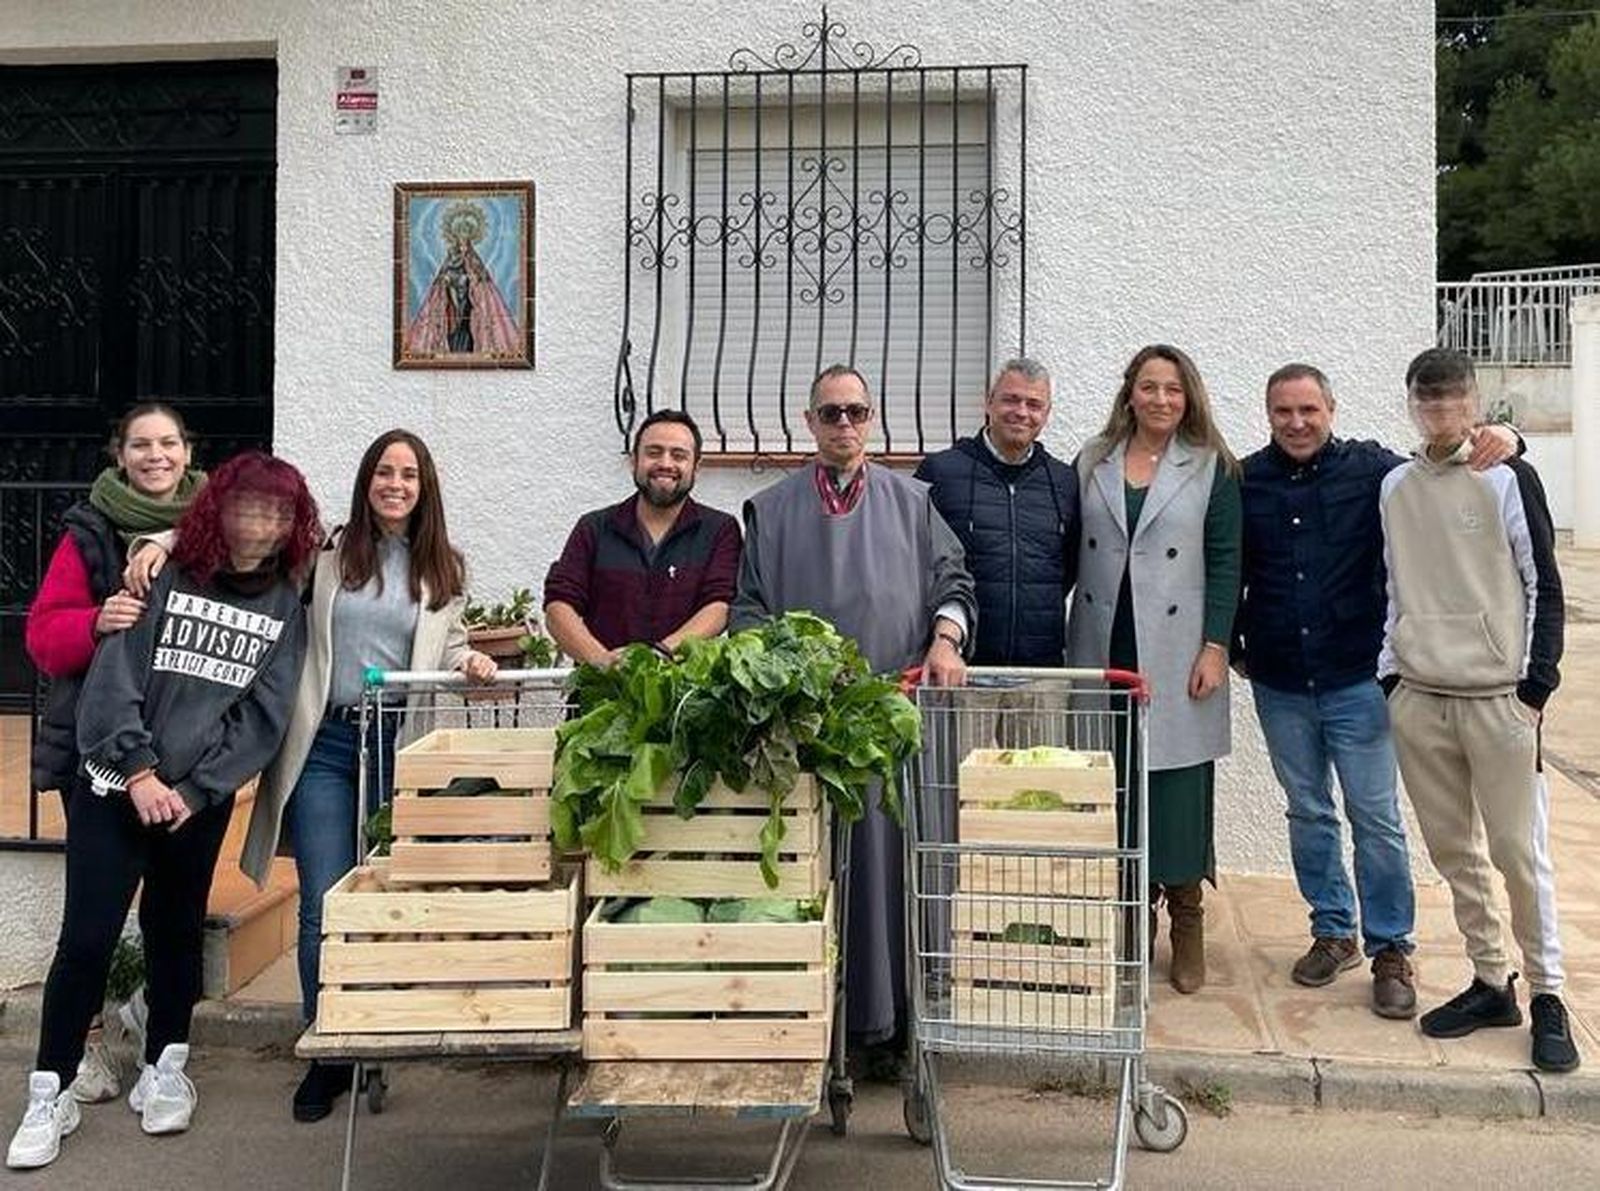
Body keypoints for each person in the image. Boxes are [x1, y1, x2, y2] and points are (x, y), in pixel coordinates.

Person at [7, 452, 318, 1171]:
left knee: (173, 933)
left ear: (292, 523)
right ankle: (49, 1090)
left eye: (277, 512)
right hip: (115, 787)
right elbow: (112, 680)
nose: (261, 523)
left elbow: (262, 717)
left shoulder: (283, 603)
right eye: (248, 507)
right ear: (219, 509)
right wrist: (139, 769)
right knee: (85, 940)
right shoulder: (167, 575)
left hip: (192, 803)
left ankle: (164, 1065)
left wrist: (201, 788)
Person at [1234, 364, 1518, 1018]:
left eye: (1309, 408)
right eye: (1283, 411)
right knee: (1308, 809)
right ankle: (1334, 930)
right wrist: (1237, 643)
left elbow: (1446, 462)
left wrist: (1504, 434)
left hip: (1358, 675)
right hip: (1279, 677)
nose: (1297, 422)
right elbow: (1231, 564)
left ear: (1331, 407)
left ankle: (1391, 945)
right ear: (1268, 414)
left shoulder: (1375, 472)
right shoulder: (1247, 479)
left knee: (1377, 817)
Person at [240, 430, 498, 1123]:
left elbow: (454, 646)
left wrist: (471, 662)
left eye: (409, 474)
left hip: (397, 748)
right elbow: (241, 552)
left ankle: (372, 1035)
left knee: (385, 899)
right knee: (326, 901)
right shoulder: (325, 555)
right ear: (367, 480)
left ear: (424, 487)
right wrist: (160, 545)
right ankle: (326, 1052)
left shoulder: (444, 568)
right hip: (327, 743)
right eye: (384, 471)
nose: (395, 483)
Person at [730, 364, 976, 1059]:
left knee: (894, 872)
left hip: (890, 722)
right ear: (808, 422)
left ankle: (895, 1026)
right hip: (806, 730)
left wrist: (945, 637)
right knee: (817, 871)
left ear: (873, 420)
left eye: (856, 412)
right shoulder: (771, 511)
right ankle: (816, 1025)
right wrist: (789, 671)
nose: (844, 424)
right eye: (830, 413)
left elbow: (954, 581)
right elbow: (748, 611)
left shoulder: (914, 502)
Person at [1377, 348, 1576, 1074]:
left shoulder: (1506, 477)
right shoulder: (1395, 485)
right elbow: (1395, 585)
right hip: (1422, 696)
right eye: (1427, 402)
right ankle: (1493, 979)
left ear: (1474, 401)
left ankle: (1549, 992)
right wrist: (1390, 676)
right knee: (1455, 852)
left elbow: (1543, 585)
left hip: (1500, 701)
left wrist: (1535, 689)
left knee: (1520, 853)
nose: (1440, 412)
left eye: (1453, 400)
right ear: (1411, 405)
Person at [23, 402, 205, 1106]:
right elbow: (43, 636)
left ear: (187, 451)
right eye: (141, 445)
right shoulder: (90, 531)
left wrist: (167, 536)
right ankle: (81, 1052)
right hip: (98, 751)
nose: (156, 455)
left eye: (167, 442)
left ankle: (163, 1052)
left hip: (181, 757)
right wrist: (97, 619)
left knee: (173, 916)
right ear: (119, 454)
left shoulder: (211, 525)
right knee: (91, 922)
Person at [1065, 344, 1241, 995]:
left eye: (1172, 388)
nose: (1160, 399)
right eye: (1148, 387)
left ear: (1188, 395)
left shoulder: (1213, 466)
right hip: (1103, 640)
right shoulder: (1094, 459)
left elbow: (1226, 561)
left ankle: (1187, 917)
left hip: (1177, 647)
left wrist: (1216, 645)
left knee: (1176, 788)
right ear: (1130, 393)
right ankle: (1133, 914)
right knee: (1113, 784)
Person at [915, 357, 1080, 667]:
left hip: (1042, 674)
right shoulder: (941, 472)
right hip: (961, 670)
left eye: (1034, 404)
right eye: (1011, 399)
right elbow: (919, 562)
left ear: (1046, 414)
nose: (1021, 412)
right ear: (988, 403)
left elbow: (1068, 566)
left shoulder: (1064, 482)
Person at [544, 410, 742, 664]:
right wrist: (602, 661)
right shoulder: (593, 528)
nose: (666, 463)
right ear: (633, 461)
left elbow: (720, 605)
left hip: (686, 697)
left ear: (696, 467)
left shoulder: (720, 530)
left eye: (679, 455)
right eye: (654, 452)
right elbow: (558, 606)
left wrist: (659, 655)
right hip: (603, 695)